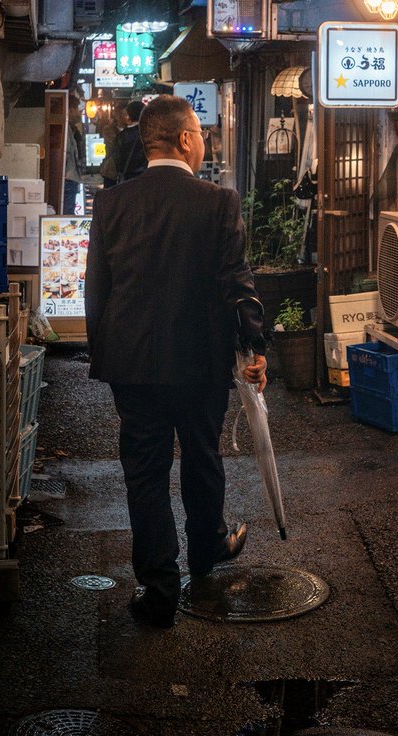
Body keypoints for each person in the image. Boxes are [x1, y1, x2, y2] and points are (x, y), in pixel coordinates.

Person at [84, 94, 267, 629]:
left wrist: (106, 352)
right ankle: (207, 554)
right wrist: (253, 347)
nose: (203, 140)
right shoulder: (217, 202)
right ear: (185, 140)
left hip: (132, 364)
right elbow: (237, 283)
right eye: (201, 133)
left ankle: (158, 587)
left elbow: (97, 291)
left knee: (144, 473)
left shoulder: (112, 204)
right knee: (202, 457)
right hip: (199, 361)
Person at [112, 98, 148, 182]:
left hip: (127, 178)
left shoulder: (122, 136)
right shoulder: (148, 133)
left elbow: (116, 158)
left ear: (129, 115)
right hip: (145, 177)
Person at [63, 93, 86, 214]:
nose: (79, 112)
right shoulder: (65, 130)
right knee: (67, 213)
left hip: (70, 178)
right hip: (68, 179)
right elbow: (66, 154)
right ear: (71, 110)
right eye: (77, 109)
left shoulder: (72, 129)